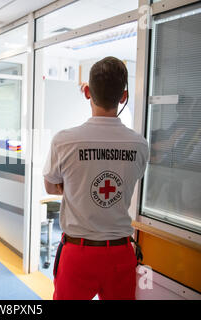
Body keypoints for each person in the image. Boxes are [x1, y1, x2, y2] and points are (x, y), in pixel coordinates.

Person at [43, 56, 149, 300]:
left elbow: (50, 186)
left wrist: (74, 187)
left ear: (87, 92)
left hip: (78, 254)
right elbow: (129, 184)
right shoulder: (139, 144)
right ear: (123, 97)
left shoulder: (65, 140)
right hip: (121, 254)